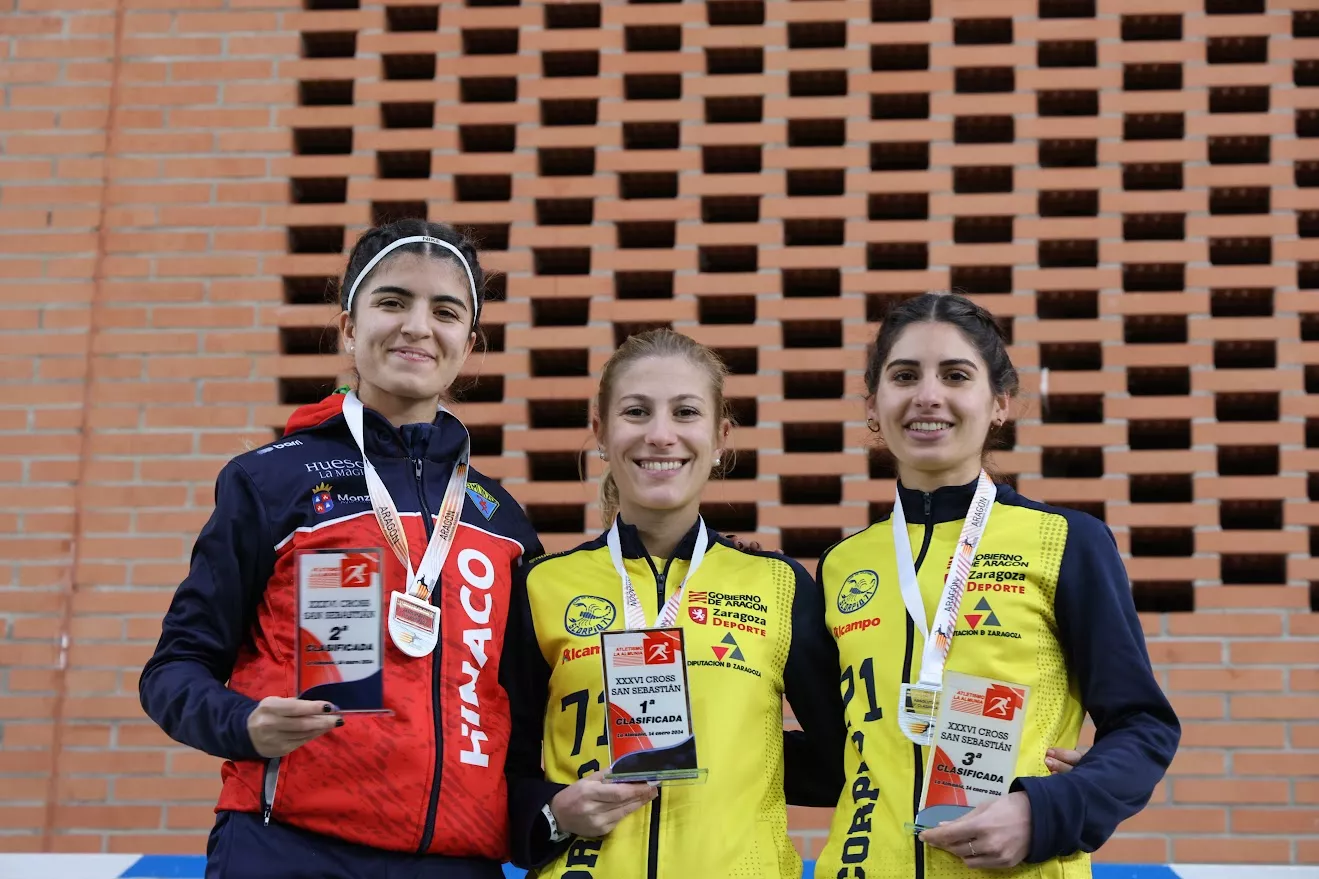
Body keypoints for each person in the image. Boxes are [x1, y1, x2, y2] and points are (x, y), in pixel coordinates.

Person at [139, 220, 542, 878]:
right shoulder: (271, 480)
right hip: (288, 848)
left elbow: (523, 719)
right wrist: (244, 722)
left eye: (444, 311)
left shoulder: (502, 521)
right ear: (350, 327)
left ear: (467, 344)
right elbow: (173, 669)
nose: (416, 325)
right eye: (391, 302)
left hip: (455, 862)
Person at [811, 292, 1180, 877]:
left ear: (1000, 402)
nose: (927, 395)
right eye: (904, 375)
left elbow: (1144, 725)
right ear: (873, 406)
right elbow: (839, 753)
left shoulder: (1067, 541)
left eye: (955, 375)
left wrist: (1046, 811)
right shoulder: (840, 565)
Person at [502, 328, 847, 879]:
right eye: (636, 412)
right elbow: (501, 767)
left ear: (720, 438)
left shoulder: (780, 586)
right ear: (601, 430)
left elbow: (846, 760)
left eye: (685, 413)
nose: (661, 435)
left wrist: (736, 752)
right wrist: (553, 811)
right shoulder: (542, 585)